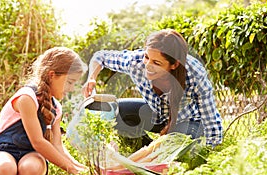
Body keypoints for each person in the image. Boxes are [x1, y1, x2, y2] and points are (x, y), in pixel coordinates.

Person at [83, 29, 223, 147]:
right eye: (146, 57)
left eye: (156, 62)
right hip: (155, 115)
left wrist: (213, 147)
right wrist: (91, 78)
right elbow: (99, 57)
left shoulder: (194, 74)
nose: (148, 65)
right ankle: (142, 149)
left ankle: (161, 153)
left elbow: (210, 117)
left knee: (178, 146)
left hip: (187, 121)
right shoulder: (135, 63)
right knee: (113, 110)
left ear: (174, 65)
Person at [0, 47, 87, 175]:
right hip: (4, 150)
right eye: (69, 82)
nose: (71, 88)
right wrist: (70, 169)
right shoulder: (27, 97)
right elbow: (38, 142)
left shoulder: (56, 108)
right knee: (6, 169)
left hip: (31, 155)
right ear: (52, 75)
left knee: (31, 168)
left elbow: (57, 146)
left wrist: (79, 167)